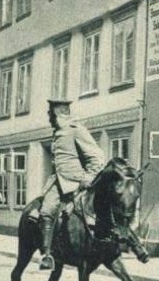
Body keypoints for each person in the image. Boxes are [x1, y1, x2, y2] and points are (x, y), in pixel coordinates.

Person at [29, 99, 107, 270]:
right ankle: (47, 255)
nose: (49, 118)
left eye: (51, 114)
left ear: (58, 114)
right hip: (57, 182)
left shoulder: (76, 130)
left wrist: (89, 176)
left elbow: (97, 156)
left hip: (75, 182)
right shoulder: (57, 132)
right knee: (45, 211)